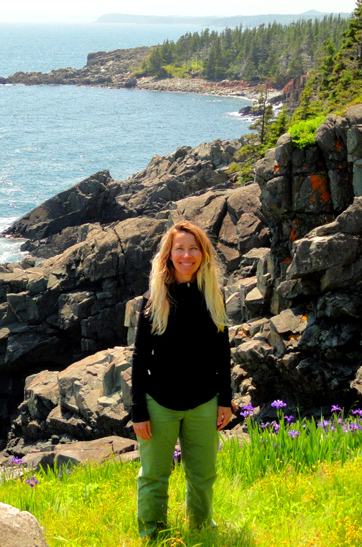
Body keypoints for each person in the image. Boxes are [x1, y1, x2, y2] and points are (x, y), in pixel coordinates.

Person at [131, 220, 233, 540]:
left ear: (203, 253)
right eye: (180, 249)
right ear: (169, 254)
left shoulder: (213, 295)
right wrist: (139, 411)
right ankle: (152, 535)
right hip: (159, 403)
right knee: (154, 476)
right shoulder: (153, 299)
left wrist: (226, 400)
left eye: (193, 248)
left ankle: (202, 531)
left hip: (204, 402)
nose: (187, 255)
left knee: (203, 475)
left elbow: (222, 353)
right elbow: (138, 359)